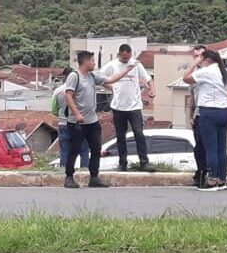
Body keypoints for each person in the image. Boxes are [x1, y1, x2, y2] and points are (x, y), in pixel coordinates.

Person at [63, 50, 138, 189]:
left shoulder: (92, 76)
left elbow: (110, 80)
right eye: (92, 60)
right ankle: (69, 177)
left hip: (92, 121)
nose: (94, 63)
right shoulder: (74, 76)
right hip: (77, 123)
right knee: (74, 149)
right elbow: (68, 96)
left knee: (96, 149)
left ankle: (94, 177)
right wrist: (77, 114)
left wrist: (127, 70)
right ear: (85, 61)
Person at [183, 49, 227, 191]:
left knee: (211, 147)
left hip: (209, 111)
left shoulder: (206, 72)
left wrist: (195, 61)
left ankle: (212, 180)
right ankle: (222, 179)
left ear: (206, 60)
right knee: (221, 147)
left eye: (201, 59)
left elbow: (186, 78)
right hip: (225, 111)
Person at [101, 44, 156, 172]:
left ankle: (144, 162)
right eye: (124, 58)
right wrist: (113, 88)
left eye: (128, 58)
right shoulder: (112, 65)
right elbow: (100, 79)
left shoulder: (135, 64)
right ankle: (122, 163)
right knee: (120, 137)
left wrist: (152, 90)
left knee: (139, 134)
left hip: (134, 107)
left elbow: (148, 79)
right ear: (119, 54)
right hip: (118, 107)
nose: (126, 61)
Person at [52, 67, 89, 169]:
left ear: (64, 77)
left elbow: (54, 110)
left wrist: (62, 116)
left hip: (63, 124)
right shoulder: (82, 89)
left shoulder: (58, 91)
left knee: (65, 150)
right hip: (80, 124)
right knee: (84, 149)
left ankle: (64, 170)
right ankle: (84, 170)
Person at [186, 45, 208, 188]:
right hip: (198, 114)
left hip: (210, 114)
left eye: (200, 56)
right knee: (198, 146)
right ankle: (201, 171)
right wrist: (191, 116)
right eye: (195, 56)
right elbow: (192, 98)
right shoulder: (194, 76)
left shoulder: (212, 72)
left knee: (208, 145)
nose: (198, 59)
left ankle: (210, 171)